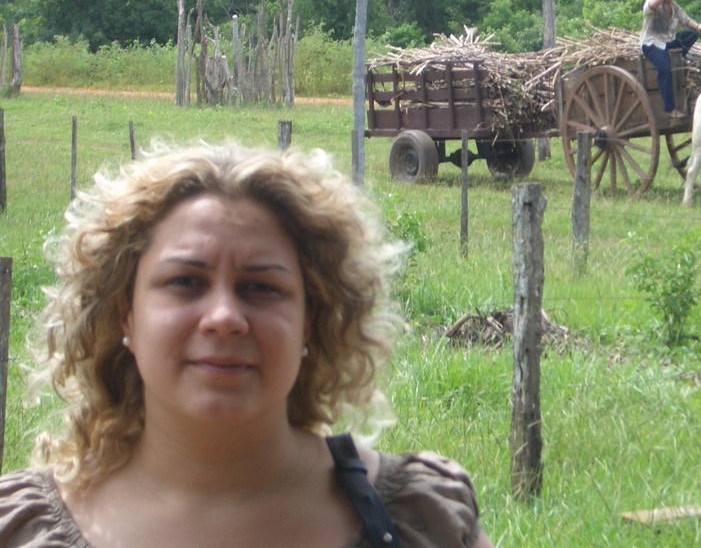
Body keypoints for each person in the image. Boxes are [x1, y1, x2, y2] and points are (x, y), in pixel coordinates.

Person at [0, 139, 494, 548]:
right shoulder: (21, 530)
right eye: (185, 282)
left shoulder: (417, 520)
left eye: (261, 287)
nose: (224, 318)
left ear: (309, 320)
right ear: (123, 311)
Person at [640, 0, 701, 117]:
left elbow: (686, 20)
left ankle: (678, 57)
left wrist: (698, 26)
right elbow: (651, 7)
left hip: (668, 43)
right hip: (652, 43)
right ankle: (669, 109)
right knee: (665, 69)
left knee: (692, 34)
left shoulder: (675, 7)